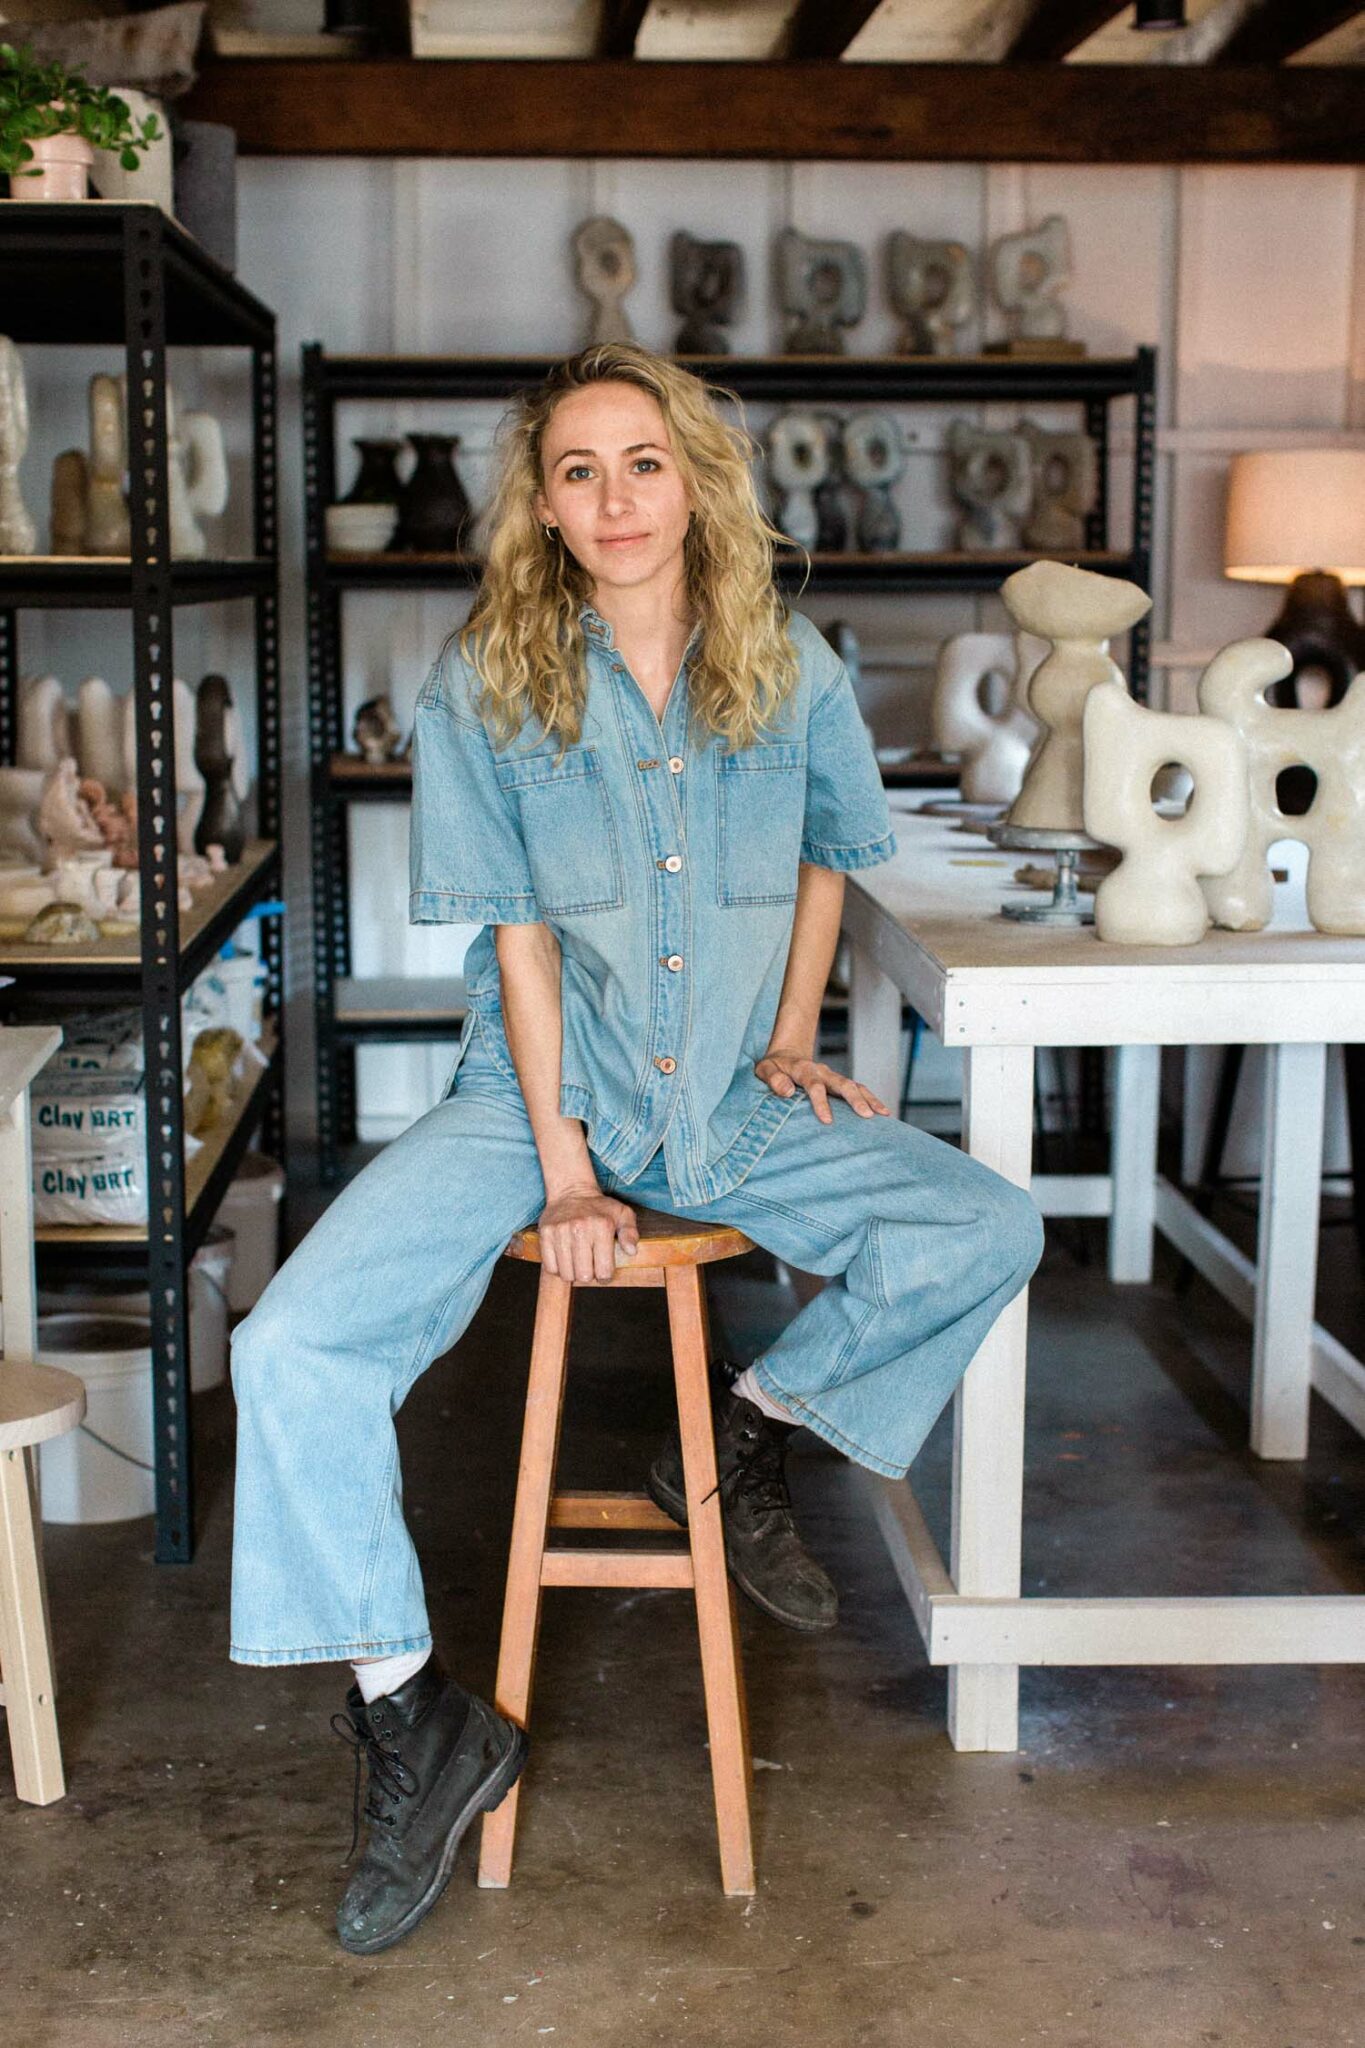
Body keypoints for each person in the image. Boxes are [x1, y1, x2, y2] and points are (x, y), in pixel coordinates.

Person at [227, 341, 1044, 1957]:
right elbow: (519, 942)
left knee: (981, 1228)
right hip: (533, 1101)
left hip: (736, 1099)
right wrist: (566, 1165)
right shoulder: (491, 677)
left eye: (643, 462)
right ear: (542, 502)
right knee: (290, 1348)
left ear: (695, 480)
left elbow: (827, 855)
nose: (614, 497)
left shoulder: (790, 666)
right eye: (580, 470)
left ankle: (736, 1437)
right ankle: (412, 1717)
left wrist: (798, 1032)